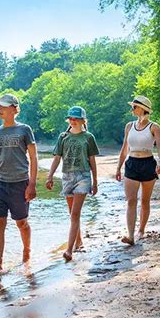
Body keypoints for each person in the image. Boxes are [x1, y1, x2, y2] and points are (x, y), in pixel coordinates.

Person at [0, 94, 38, 271]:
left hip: (20, 184)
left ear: (14, 109)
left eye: (4, 106)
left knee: (21, 223)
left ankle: (27, 251)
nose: (0, 109)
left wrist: (32, 184)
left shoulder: (24, 130)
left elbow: (34, 157)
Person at [46, 106, 99, 262]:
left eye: (76, 118)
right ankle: (79, 241)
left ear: (83, 120)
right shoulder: (63, 137)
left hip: (83, 176)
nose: (73, 121)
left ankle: (69, 250)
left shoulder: (88, 137)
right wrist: (49, 176)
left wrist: (95, 182)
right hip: (67, 177)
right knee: (72, 214)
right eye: (70, 118)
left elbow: (92, 160)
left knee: (75, 213)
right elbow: (56, 157)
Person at [116, 95, 160, 246]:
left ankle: (141, 230)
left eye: (134, 106)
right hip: (132, 163)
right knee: (131, 200)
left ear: (142, 109)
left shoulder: (154, 127)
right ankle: (130, 235)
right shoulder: (129, 126)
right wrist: (118, 167)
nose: (132, 109)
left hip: (148, 163)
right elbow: (125, 148)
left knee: (144, 201)